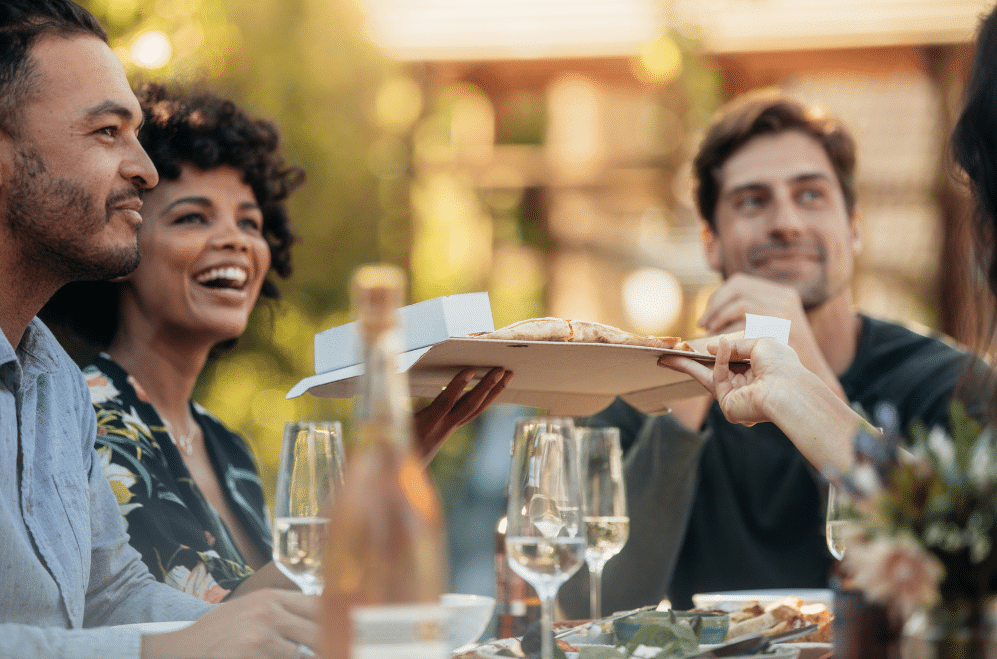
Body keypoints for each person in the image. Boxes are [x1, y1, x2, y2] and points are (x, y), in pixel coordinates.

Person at [40, 83, 512, 602]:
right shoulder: (87, 419)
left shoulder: (225, 445)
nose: (237, 240)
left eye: (250, 222)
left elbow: (284, 611)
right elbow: (201, 633)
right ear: (122, 241)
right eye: (193, 217)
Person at [559, 92, 975, 617]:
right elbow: (583, 607)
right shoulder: (643, 397)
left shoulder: (950, 386)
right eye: (752, 201)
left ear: (855, 226)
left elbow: (966, 569)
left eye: (810, 195)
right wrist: (681, 408)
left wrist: (807, 379)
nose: (786, 223)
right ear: (710, 241)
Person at [0, 2, 318, 657]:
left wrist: (288, 638)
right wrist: (166, 650)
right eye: (108, 131)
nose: (145, 169)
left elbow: (109, 593)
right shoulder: (95, 396)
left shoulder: (52, 380)